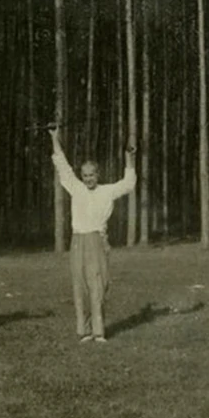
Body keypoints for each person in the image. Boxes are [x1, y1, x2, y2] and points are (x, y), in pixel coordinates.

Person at [49, 126, 136, 343]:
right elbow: (62, 165)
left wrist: (129, 159)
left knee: (98, 284)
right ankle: (84, 331)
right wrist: (54, 138)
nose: (88, 179)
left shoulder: (106, 191)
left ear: (98, 174)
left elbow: (128, 184)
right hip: (78, 240)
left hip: (97, 240)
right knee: (79, 285)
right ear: (82, 176)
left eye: (92, 175)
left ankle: (99, 332)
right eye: (85, 175)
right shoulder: (76, 188)